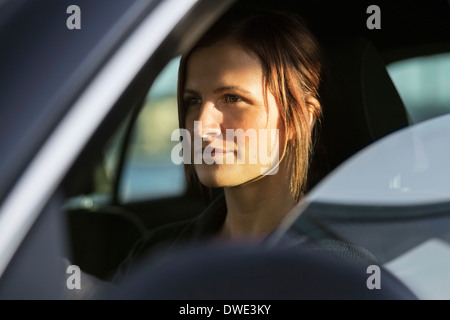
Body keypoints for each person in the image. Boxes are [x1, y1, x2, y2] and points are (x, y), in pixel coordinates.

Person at [115, 8, 325, 280]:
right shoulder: (156, 256)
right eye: (193, 101)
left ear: (301, 119)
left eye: (232, 98)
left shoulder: (337, 271)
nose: (201, 125)